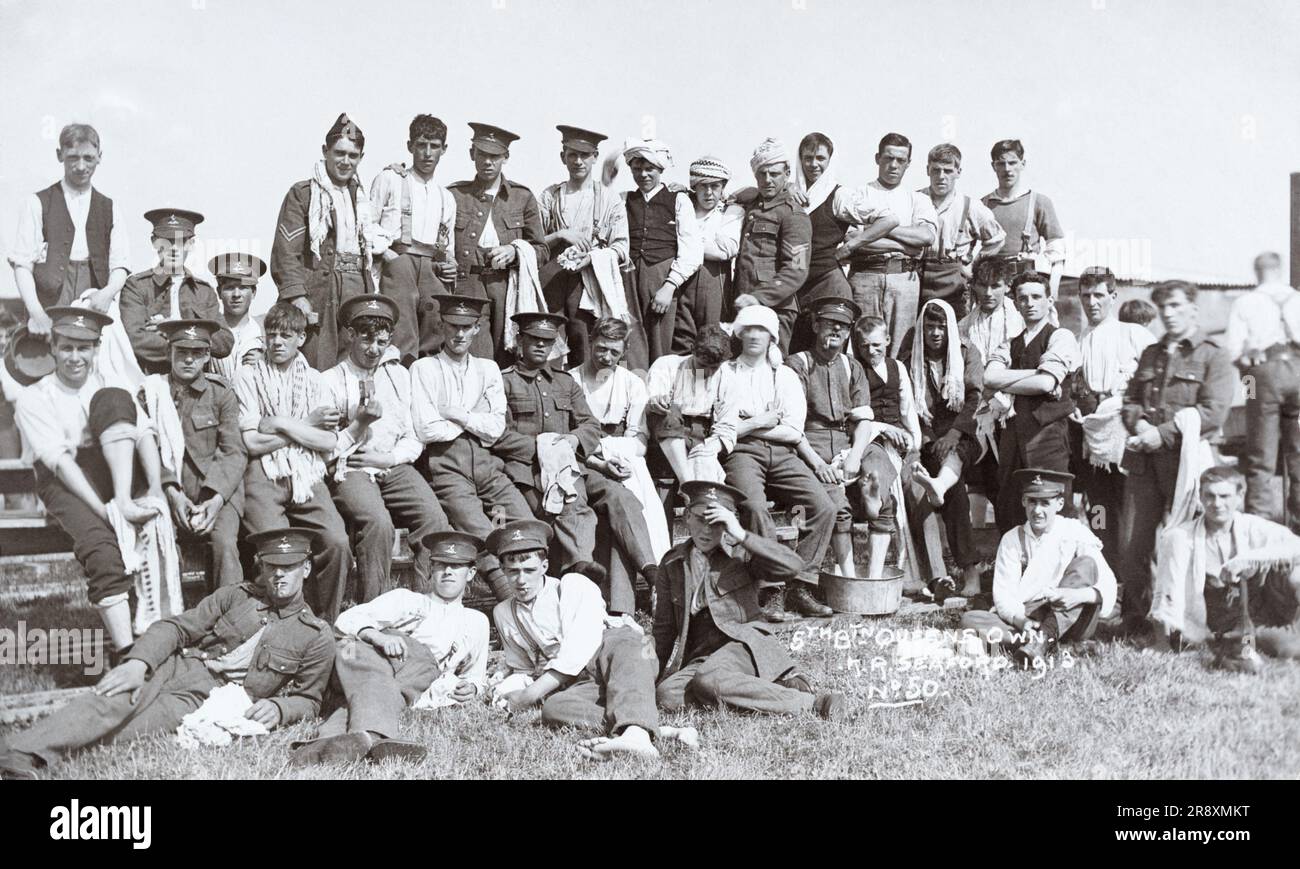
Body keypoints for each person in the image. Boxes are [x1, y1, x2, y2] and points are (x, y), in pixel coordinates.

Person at [0, 528, 336, 780]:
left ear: (306, 569)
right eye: (272, 565)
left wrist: (280, 707)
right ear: (261, 567)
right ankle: (18, 752)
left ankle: (38, 758)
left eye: (289, 566)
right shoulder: (235, 597)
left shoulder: (315, 635)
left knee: (133, 732)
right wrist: (138, 663)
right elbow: (176, 628)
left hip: (203, 697)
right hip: (176, 666)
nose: (279, 574)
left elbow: (310, 700)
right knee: (114, 698)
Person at [14, 306, 166, 655]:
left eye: (84, 347)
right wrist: (106, 513)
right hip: (66, 482)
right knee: (101, 548)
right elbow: (60, 463)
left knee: (156, 529)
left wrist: (155, 488)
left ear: (97, 348)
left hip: (117, 471)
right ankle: (126, 653)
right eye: (66, 347)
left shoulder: (110, 384)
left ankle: (158, 638)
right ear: (52, 347)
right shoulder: (35, 397)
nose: (75, 357)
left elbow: (143, 434)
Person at [496, 311, 659, 609]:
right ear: (520, 341)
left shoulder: (564, 383)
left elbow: (590, 425)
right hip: (529, 474)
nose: (540, 346)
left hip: (576, 467)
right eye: (533, 340)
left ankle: (652, 572)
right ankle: (581, 570)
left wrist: (573, 440)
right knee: (574, 504)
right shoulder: (503, 382)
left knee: (622, 496)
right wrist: (542, 447)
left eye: (547, 341)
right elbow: (499, 435)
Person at [289, 530, 489, 766]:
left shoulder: (476, 621)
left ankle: (325, 745)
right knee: (357, 657)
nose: (447, 572)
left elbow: (476, 675)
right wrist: (379, 638)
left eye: (456, 566)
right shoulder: (406, 599)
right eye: (441, 565)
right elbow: (347, 620)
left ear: (471, 573)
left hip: (416, 672)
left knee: (372, 692)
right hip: (363, 655)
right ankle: (378, 737)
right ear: (431, 569)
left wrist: (473, 688)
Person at [654, 481, 848, 719]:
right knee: (667, 695)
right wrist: (645, 681)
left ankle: (813, 703)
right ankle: (767, 687)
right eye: (700, 519)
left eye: (716, 523)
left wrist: (741, 534)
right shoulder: (672, 563)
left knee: (708, 679)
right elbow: (663, 631)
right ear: (686, 517)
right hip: (702, 655)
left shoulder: (741, 553)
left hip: (744, 643)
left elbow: (793, 566)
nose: (706, 530)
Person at [486, 519, 664, 762]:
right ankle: (649, 730)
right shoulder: (504, 612)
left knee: (628, 645)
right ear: (503, 571)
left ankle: (637, 732)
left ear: (545, 566)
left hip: (613, 647)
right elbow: (524, 667)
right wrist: (508, 691)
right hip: (580, 679)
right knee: (554, 708)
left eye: (529, 570)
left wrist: (528, 696)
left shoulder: (573, 585)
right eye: (513, 571)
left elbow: (577, 650)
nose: (521, 580)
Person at [1118, 281, 1236, 630]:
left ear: (1193, 310)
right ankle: (1137, 622)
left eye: (1175, 306)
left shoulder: (1213, 355)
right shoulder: (1151, 353)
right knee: (1133, 545)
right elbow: (1130, 399)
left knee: (1193, 543)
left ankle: (1201, 622)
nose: (1168, 314)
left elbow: (1214, 411)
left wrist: (1161, 435)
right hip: (1144, 466)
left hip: (1188, 467)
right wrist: (1139, 425)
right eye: (1163, 307)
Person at [321, 295, 449, 603]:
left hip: (393, 464)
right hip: (349, 468)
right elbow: (324, 448)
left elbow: (413, 435)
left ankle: (424, 605)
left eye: (381, 341)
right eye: (365, 340)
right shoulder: (330, 381)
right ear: (350, 334)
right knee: (379, 524)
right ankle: (373, 609)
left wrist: (389, 457)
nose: (373, 350)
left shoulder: (399, 376)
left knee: (435, 520)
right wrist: (356, 431)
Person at [235, 302, 352, 622]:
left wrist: (281, 423)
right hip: (263, 472)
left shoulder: (315, 380)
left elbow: (329, 441)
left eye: (286, 335)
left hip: (306, 470)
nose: (276, 342)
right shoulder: (248, 376)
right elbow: (252, 442)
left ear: (301, 338)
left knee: (337, 542)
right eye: (271, 335)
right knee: (278, 547)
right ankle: (277, 622)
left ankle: (323, 622)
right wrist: (308, 424)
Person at [409, 294, 530, 601]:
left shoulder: (488, 370)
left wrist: (455, 412)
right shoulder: (425, 369)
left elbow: (496, 427)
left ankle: (533, 599)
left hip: (488, 466)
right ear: (441, 325)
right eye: (453, 326)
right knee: (479, 527)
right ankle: (510, 602)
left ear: (477, 329)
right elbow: (427, 428)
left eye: (467, 327)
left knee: (514, 520)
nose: (459, 334)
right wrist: (474, 416)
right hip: (448, 466)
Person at [719, 304, 835, 620]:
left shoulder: (782, 375)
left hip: (784, 453)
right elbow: (725, 427)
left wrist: (748, 420)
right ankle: (765, 589)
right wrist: (764, 420)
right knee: (755, 508)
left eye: (762, 330)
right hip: (742, 452)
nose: (755, 336)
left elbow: (794, 429)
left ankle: (800, 585)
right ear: (740, 335)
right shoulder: (725, 373)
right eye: (749, 329)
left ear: (772, 337)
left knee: (823, 506)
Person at [569, 317, 673, 613]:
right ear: (590, 343)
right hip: (583, 457)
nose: (606, 357)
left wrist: (615, 455)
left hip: (625, 457)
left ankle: (643, 592)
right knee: (614, 506)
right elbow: (567, 437)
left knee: (636, 503)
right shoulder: (571, 380)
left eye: (614, 352)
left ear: (624, 352)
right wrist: (598, 456)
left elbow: (638, 441)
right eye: (601, 349)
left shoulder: (631, 383)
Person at [1150, 465, 1300, 664]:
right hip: (1234, 625)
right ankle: (1262, 644)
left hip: (1268, 606)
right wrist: (1162, 643)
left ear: (1239, 496)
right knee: (1288, 648)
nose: (1217, 504)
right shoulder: (1181, 538)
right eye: (1210, 496)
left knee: (1295, 572)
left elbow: (1295, 545)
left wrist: (1247, 560)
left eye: (1224, 496)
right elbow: (1166, 589)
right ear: (1200, 498)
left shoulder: (1252, 526)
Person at [961, 469, 1116, 659]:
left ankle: (1043, 639)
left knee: (1086, 564)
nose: (1037, 511)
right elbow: (1003, 595)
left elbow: (1108, 583)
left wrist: (1077, 595)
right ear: (1023, 501)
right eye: (1032, 501)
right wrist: (1022, 622)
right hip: (1031, 615)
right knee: (970, 620)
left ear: (1059, 504)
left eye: (1045, 503)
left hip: (1072, 613)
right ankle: (1046, 642)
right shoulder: (1012, 539)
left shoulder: (1075, 531)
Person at [144, 319, 247, 589]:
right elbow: (148, 450)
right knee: (156, 540)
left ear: (207, 356)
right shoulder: (152, 394)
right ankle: (170, 618)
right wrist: (171, 491)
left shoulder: (220, 393)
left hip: (217, 491)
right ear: (169, 354)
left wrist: (214, 500)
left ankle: (230, 616)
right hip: (168, 490)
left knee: (224, 544)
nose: (188, 360)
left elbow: (233, 450)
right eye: (182, 353)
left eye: (196, 354)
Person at [270, 112, 378, 369]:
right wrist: (297, 296)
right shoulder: (303, 194)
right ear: (325, 151)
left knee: (353, 362)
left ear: (361, 158)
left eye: (352, 156)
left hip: (356, 287)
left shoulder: (362, 198)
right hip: (319, 290)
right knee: (316, 359)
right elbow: (286, 251)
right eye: (339, 153)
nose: (345, 161)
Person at [7, 123, 130, 336]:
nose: (81, 166)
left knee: (91, 359)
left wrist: (106, 294)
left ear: (99, 157)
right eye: (73, 157)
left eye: (88, 158)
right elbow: (22, 265)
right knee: (46, 359)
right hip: (49, 300)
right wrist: (37, 313)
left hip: (94, 298)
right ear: (59, 155)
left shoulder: (110, 208)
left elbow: (120, 265)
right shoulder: (36, 203)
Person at [1069, 267, 1156, 566]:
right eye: (1085, 296)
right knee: (1099, 507)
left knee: (1130, 507)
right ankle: (1108, 569)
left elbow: (1158, 374)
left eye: (1098, 295)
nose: (1092, 302)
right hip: (1094, 437)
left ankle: (1135, 576)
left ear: (1113, 296)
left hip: (1128, 436)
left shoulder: (1133, 334)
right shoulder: (1077, 341)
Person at [983, 272, 1080, 534]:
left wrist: (1012, 380)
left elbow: (1046, 384)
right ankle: (1015, 571)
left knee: (1052, 507)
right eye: (1022, 298)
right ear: (1015, 303)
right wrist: (1036, 373)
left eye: (1036, 296)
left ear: (1050, 301)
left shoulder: (1061, 337)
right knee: (1011, 507)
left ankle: (1060, 571)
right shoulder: (1010, 343)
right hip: (1012, 438)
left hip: (1047, 436)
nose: (1029, 303)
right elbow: (989, 377)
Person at [901, 300, 986, 597]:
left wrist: (952, 433)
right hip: (925, 436)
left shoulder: (966, 352)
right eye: (929, 326)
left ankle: (970, 573)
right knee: (955, 494)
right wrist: (925, 439)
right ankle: (955, 572)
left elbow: (975, 398)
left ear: (950, 328)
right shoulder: (912, 355)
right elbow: (906, 400)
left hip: (964, 434)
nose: (936, 333)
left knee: (953, 482)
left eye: (941, 327)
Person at [447, 123, 550, 364]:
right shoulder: (454, 195)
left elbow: (541, 249)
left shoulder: (522, 197)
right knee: (475, 356)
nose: (488, 162)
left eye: (495, 156)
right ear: (472, 154)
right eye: (482, 154)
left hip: (507, 286)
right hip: (468, 284)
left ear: (506, 157)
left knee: (509, 354)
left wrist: (515, 251)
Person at [787, 132, 899, 354]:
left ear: (830, 160)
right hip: (795, 283)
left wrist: (851, 246)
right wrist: (788, 189)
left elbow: (890, 219)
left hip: (827, 284)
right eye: (807, 158)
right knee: (793, 353)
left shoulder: (839, 195)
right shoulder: (790, 191)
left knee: (826, 351)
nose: (813, 164)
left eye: (820, 158)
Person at [786, 297, 873, 578]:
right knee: (838, 503)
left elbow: (863, 421)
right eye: (830, 324)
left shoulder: (852, 366)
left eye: (843, 327)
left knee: (881, 490)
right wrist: (818, 464)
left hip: (849, 443)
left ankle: (872, 576)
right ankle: (847, 578)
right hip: (809, 445)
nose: (837, 331)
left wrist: (856, 456)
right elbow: (792, 426)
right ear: (814, 325)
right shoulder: (798, 364)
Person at [369, 114, 458, 364]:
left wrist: (449, 263)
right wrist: (389, 255)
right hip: (399, 263)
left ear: (444, 149)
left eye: (434, 146)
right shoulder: (390, 179)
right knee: (401, 333)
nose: (427, 153)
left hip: (431, 268)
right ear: (410, 146)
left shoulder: (446, 197)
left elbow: (446, 244)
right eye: (421, 145)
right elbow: (366, 223)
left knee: (436, 328)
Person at [538, 125, 630, 367]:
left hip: (589, 280)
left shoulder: (610, 199)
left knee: (584, 339)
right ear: (563, 157)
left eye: (585, 155)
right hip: (553, 278)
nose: (578, 161)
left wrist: (593, 258)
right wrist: (559, 234)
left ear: (595, 158)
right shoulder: (550, 196)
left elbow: (621, 247)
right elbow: (534, 242)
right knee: (550, 339)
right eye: (572, 155)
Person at [840, 133, 938, 356]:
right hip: (866, 276)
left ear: (908, 164)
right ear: (877, 158)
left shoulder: (918, 199)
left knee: (900, 349)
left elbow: (926, 237)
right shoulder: (859, 195)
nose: (894, 165)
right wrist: (904, 246)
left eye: (901, 160)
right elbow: (853, 240)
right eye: (888, 158)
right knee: (863, 345)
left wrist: (881, 227)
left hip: (903, 279)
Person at [1225, 252, 1300, 531]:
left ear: (1257, 272)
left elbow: (1235, 350)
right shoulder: (1297, 299)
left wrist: (1249, 379)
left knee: (1260, 454)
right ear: (1279, 271)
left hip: (1261, 375)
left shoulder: (1245, 301)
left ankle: (1259, 527)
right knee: (1299, 453)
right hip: (1298, 373)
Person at [118, 208, 234, 375]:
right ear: (154, 242)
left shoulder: (204, 292)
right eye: (166, 241)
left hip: (196, 388)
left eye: (180, 242)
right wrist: (195, 343)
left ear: (191, 244)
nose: (173, 249)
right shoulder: (136, 286)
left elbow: (224, 343)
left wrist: (172, 326)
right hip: (153, 379)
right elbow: (134, 340)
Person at [851, 315, 922, 583]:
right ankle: (875, 503)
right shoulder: (855, 369)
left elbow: (908, 409)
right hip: (870, 438)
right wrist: (883, 428)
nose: (871, 351)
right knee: (880, 475)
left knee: (917, 490)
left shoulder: (897, 368)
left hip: (900, 441)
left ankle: (927, 573)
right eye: (865, 345)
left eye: (877, 345)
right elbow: (854, 416)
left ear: (888, 341)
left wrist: (914, 444)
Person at [619, 138, 702, 367]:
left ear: (661, 169)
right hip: (628, 279)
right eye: (638, 169)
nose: (644, 174)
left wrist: (669, 286)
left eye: (650, 169)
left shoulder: (679, 200)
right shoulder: (624, 200)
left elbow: (692, 251)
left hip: (662, 278)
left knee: (661, 344)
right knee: (631, 340)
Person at [730, 138, 814, 352]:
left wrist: (758, 297)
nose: (767, 180)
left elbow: (796, 269)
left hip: (775, 307)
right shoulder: (753, 204)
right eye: (762, 173)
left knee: (770, 370)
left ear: (787, 175)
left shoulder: (793, 214)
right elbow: (735, 195)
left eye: (774, 174)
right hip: (744, 301)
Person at [918, 143, 1005, 320]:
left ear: (958, 172)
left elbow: (997, 238)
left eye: (948, 171)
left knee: (955, 333)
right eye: (936, 170)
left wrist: (972, 266)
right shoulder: (916, 200)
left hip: (955, 281)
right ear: (928, 170)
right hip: (919, 276)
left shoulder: (971, 206)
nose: (941, 177)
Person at [646, 323, 739, 486]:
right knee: (668, 410)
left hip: (703, 437)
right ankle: (686, 483)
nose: (708, 372)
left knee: (709, 482)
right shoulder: (667, 365)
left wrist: (710, 449)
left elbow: (728, 427)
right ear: (692, 350)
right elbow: (651, 403)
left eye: (714, 367)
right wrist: (655, 401)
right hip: (665, 435)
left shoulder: (728, 378)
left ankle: (699, 494)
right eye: (702, 365)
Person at [982, 139, 1066, 304]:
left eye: (1013, 163)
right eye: (1001, 164)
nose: (1007, 169)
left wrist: (1051, 294)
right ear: (993, 166)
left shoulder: (1039, 202)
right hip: (993, 289)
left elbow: (1057, 254)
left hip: (1028, 287)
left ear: (1023, 164)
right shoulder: (983, 205)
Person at [672, 156, 741, 355]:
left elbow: (725, 249)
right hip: (684, 281)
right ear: (694, 187)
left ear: (723, 187)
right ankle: (686, 384)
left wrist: (686, 242)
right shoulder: (682, 207)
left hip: (714, 283)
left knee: (712, 341)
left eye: (715, 186)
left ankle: (709, 384)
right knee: (681, 340)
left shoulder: (731, 211)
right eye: (703, 186)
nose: (709, 193)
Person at [206, 252, 267, 383]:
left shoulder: (266, 331)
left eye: (243, 288)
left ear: (254, 292)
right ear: (219, 292)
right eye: (229, 288)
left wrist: (267, 362)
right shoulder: (209, 331)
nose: (236, 295)